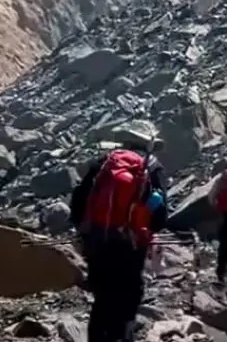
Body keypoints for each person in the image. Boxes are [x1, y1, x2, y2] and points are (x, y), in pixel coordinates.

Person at [69, 143, 168, 342]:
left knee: (102, 298)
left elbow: (78, 203)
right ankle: (122, 336)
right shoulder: (150, 167)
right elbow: (159, 218)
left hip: (98, 242)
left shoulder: (104, 163)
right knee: (127, 298)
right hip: (130, 246)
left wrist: (85, 231)